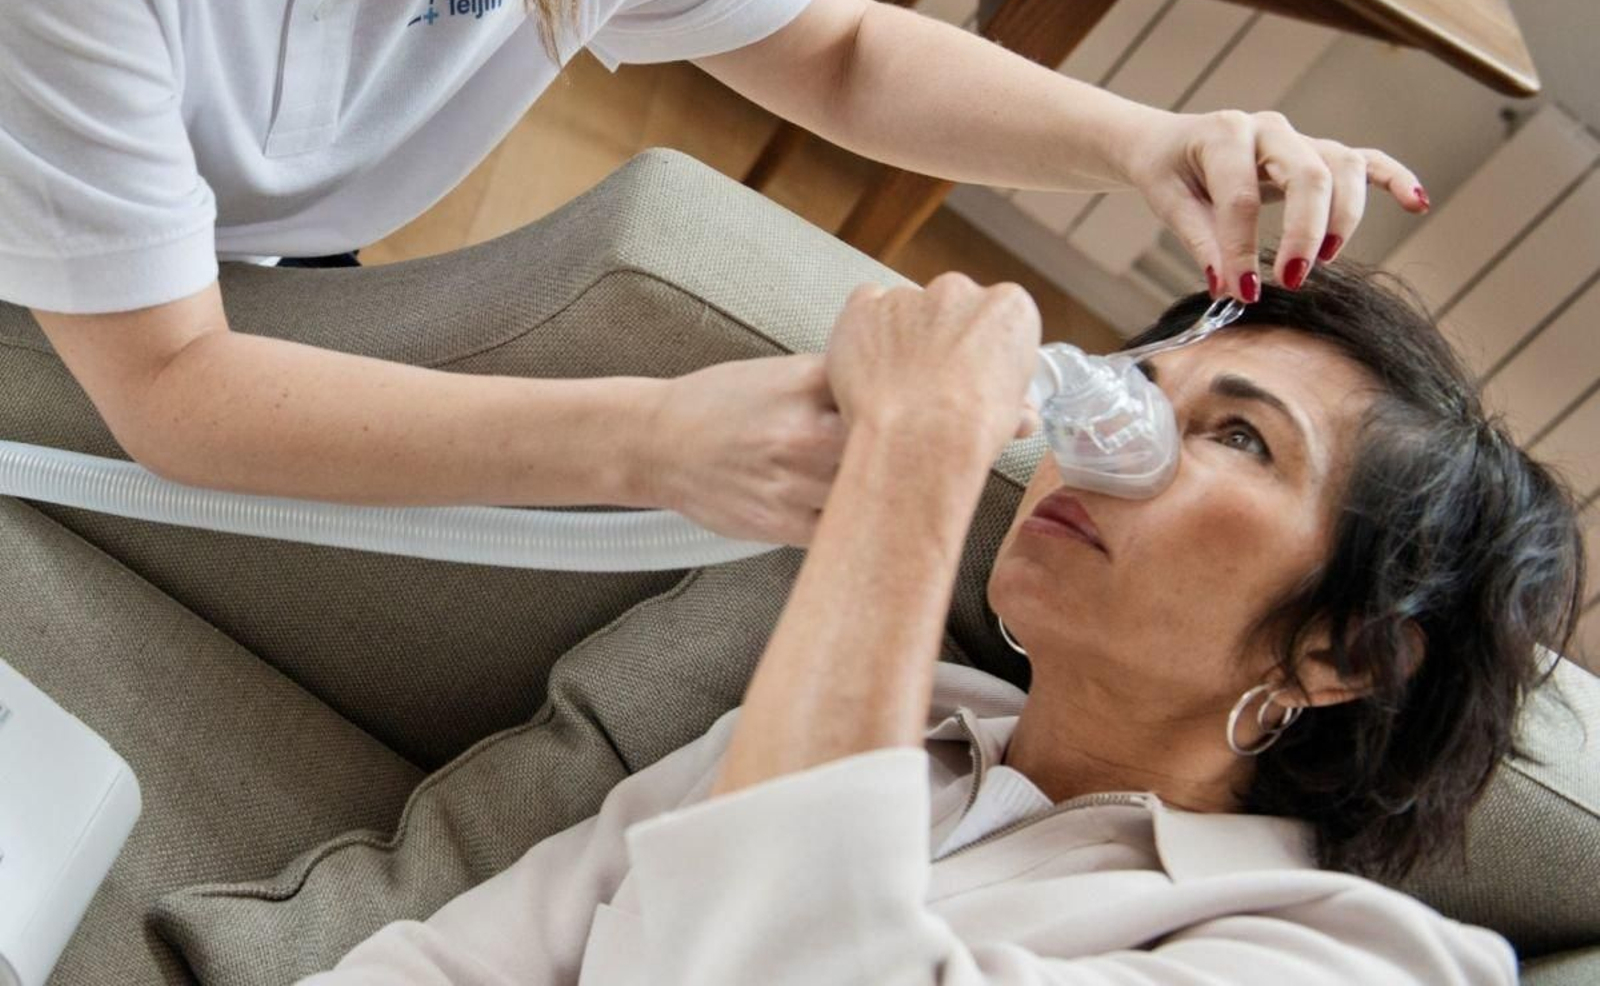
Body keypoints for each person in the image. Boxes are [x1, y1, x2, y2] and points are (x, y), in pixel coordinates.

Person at [297, 259, 1585, 984]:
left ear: (1345, 651)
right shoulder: (891, 732)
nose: (1105, 442)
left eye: (1238, 436)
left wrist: (914, 455)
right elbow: (459, 963)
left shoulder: (1342, 965)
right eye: (1141, 386)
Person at [0, 0, 1429, 547]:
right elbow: (174, 388)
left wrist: (1139, 142)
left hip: (233, 272)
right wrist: (645, 443)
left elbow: (844, 53)